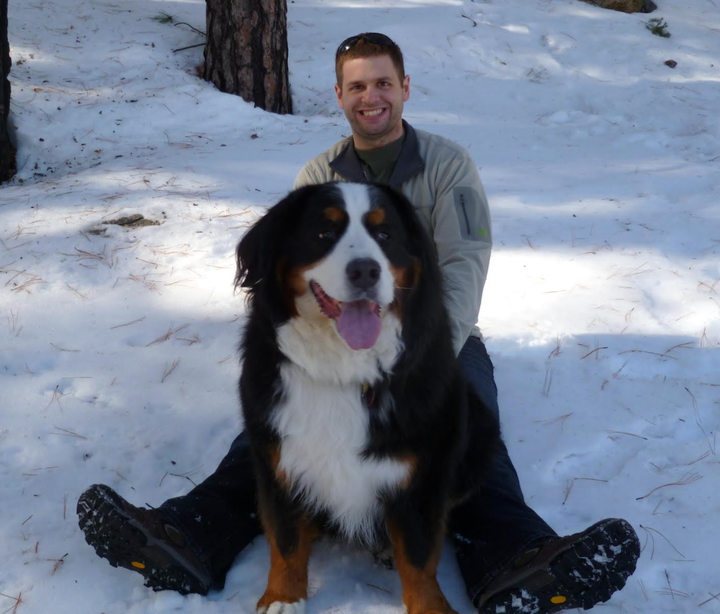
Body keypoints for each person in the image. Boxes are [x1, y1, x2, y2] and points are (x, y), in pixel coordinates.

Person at [77, 33, 640, 614]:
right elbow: (290, 269)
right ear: (341, 96)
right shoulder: (317, 174)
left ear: (404, 89)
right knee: (272, 439)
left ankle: (519, 561)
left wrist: (420, 356)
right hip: (326, 335)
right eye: (358, 86)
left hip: (433, 337)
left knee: (465, 430)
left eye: (383, 83)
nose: (371, 96)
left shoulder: (448, 165)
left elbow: (465, 261)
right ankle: (188, 536)